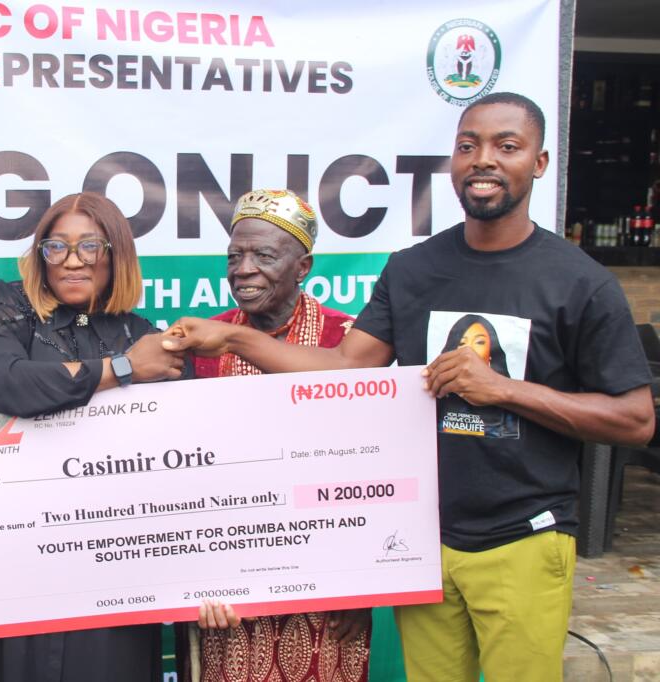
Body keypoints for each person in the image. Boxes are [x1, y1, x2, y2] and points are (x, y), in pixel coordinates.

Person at [163, 92, 655, 681]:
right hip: (423, 542)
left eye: (507, 146)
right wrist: (232, 339)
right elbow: (346, 367)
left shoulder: (580, 282)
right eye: (468, 146)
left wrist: (504, 390)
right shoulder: (413, 268)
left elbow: (635, 419)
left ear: (540, 162)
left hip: (524, 536)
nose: (484, 160)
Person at [0, 191, 185, 682]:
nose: (72, 261)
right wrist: (122, 369)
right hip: (18, 551)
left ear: (116, 255)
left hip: (110, 561)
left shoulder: (143, 334)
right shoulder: (10, 309)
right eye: (56, 247)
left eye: (89, 246)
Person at [181, 189, 370, 682]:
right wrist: (196, 578)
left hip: (328, 584)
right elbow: (183, 472)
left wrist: (364, 586)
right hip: (227, 583)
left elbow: (374, 468)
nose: (243, 270)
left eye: (263, 256)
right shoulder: (203, 342)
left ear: (302, 266)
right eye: (234, 257)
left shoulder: (348, 341)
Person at [437, 313, 520, 439]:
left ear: (491, 353)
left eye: (479, 342)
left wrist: (501, 390)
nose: (468, 351)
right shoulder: (437, 403)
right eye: (462, 343)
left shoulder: (509, 415)